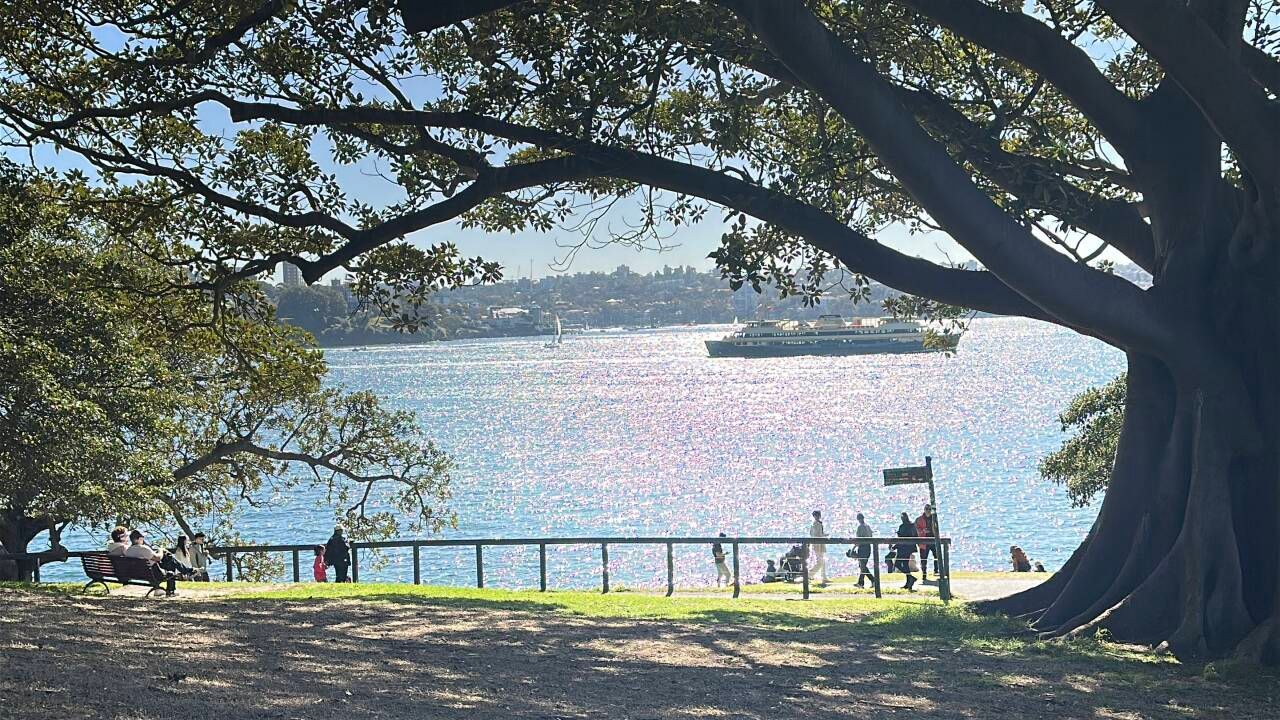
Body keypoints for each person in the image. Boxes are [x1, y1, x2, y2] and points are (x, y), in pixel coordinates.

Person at [124, 530, 181, 595]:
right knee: (170, 568)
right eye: (142, 537)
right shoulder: (144, 548)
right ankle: (171, 591)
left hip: (137, 574)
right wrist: (161, 550)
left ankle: (185, 570)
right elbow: (158, 558)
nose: (143, 539)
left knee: (168, 557)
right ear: (138, 539)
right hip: (154, 574)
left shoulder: (128, 551)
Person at [895, 512, 918, 591]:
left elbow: (901, 538)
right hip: (908, 548)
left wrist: (895, 546)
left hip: (903, 548)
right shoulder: (912, 526)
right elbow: (915, 536)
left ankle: (910, 578)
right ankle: (909, 582)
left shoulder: (904, 526)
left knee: (898, 564)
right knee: (905, 565)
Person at [915, 504, 938, 581]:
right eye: (926, 509)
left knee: (937, 556)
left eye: (929, 509)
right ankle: (924, 574)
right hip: (923, 542)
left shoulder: (934, 518)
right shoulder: (919, 519)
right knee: (923, 559)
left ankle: (936, 571)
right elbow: (916, 529)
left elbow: (936, 529)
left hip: (933, 540)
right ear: (924, 510)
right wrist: (923, 531)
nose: (928, 511)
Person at [854, 513, 875, 588]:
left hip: (862, 548)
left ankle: (870, 580)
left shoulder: (860, 527)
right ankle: (862, 582)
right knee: (863, 566)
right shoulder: (868, 526)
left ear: (858, 519)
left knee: (862, 566)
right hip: (868, 547)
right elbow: (871, 536)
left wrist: (853, 548)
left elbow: (858, 540)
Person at [809, 510, 828, 585]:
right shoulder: (815, 524)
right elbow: (816, 534)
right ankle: (810, 574)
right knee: (820, 562)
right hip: (817, 544)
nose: (818, 516)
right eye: (816, 515)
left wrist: (824, 535)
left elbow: (818, 534)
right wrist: (823, 535)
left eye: (818, 515)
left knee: (823, 561)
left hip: (820, 543)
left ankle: (824, 577)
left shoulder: (818, 523)